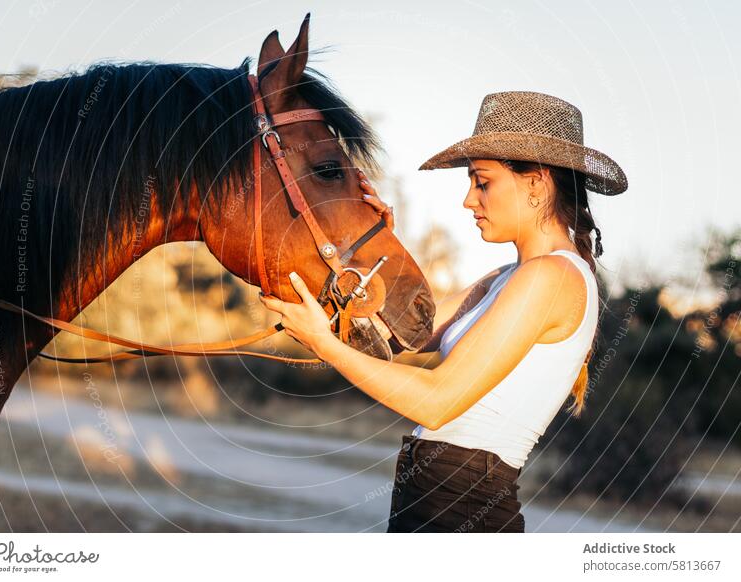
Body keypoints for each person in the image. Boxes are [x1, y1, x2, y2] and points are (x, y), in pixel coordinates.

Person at [260, 91, 628, 532]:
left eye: (482, 181)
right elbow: (399, 337)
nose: (469, 200)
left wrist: (323, 343)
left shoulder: (550, 279)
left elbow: (437, 403)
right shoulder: (507, 278)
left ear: (536, 183)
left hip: (462, 509)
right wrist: (370, 238)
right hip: (442, 504)